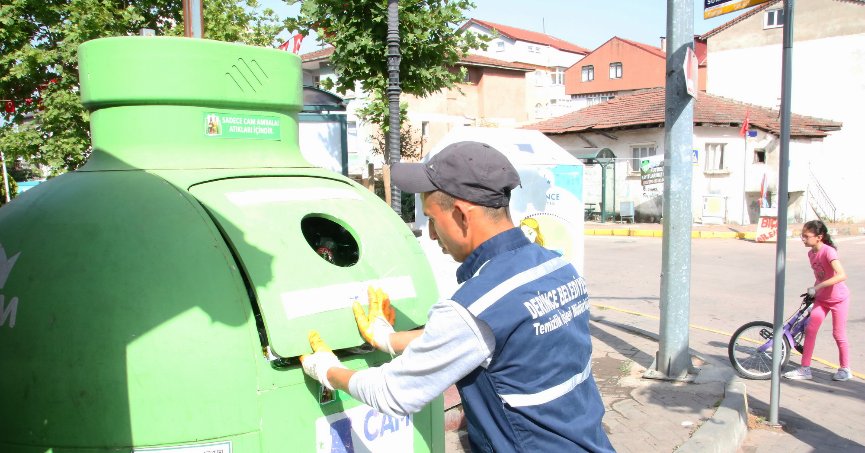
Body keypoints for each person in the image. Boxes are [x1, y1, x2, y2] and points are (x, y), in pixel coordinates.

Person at [301, 141, 613, 452]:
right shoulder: (557, 267)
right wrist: (386, 339)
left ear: (462, 215)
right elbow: (481, 339)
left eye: (433, 219)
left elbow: (393, 392)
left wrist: (327, 370)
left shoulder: (477, 303)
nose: (433, 235)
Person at [783, 220, 852, 382]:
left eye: (806, 236)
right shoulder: (811, 253)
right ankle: (805, 369)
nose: (803, 239)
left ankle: (845, 369)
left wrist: (818, 286)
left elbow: (842, 275)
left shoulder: (828, 252)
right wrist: (814, 291)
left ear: (819, 237)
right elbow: (820, 275)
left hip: (839, 299)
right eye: (802, 236)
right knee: (811, 331)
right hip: (822, 299)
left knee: (838, 334)